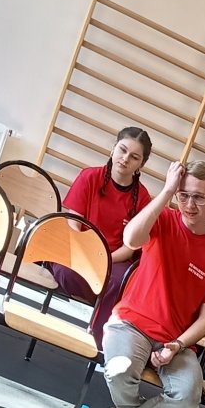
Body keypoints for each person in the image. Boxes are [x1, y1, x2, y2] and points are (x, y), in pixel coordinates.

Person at [98, 158, 205, 408]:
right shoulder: (162, 218)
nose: (189, 204)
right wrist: (167, 191)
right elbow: (130, 239)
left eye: (198, 197)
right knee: (118, 372)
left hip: (176, 340)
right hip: (130, 324)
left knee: (188, 395)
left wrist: (178, 345)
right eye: (183, 195)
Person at [55, 126, 153, 305]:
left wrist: (104, 259)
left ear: (142, 164)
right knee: (65, 271)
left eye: (134, 157)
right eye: (122, 150)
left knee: (118, 283)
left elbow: (129, 248)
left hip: (114, 260)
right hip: (79, 247)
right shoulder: (89, 176)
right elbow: (73, 224)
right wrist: (86, 254)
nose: (125, 158)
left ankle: (95, 317)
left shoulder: (143, 198)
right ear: (114, 148)